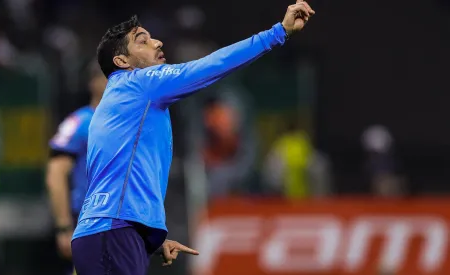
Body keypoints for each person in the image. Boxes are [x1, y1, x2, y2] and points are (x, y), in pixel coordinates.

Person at [71, 1, 315, 275]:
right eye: (143, 41)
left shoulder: (114, 103)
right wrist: (278, 33)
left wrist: (147, 233)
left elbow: (115, 175)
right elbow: (211, 66)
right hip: (114, 233)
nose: (157, 42)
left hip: (106, 232)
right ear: (122, 61)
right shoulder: (141, 82)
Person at [45, 61, 107, 273]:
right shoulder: (81, 122)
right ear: (94, 83)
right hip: (90, 223)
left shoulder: (126, 124)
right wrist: (63, 226)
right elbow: (55, 173)